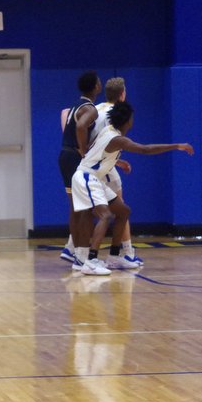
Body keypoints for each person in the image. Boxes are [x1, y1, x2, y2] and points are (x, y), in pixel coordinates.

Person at [70, 102, 193, 275]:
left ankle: (113, 257)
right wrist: (176, 146)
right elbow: (145, 149)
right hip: (86, 177)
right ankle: (90, 261)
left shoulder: (108, 131)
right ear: (128, 120)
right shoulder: (117, 138)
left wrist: (117, 162)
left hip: (94, 177)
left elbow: (97, 152)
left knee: (123, 211)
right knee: (105, 215)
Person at [89, 77, 144, 270]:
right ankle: (125, 252)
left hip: (97, 161)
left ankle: (78, 250)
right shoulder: (115, 114)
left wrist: (116, 160)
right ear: (122, 94)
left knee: (112, 209)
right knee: (118, 208)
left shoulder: (95, 109)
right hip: (98, 167)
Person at [59, 72, 102, 264]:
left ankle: (75, 251)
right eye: (98, 81)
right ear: (96, 87)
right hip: (74, 158)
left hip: (66, 156)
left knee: (76, 208)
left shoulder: (77, 105)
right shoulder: (90, 108)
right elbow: (81, 126)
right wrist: (84, 150)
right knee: (84, 208)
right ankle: (81, 255)